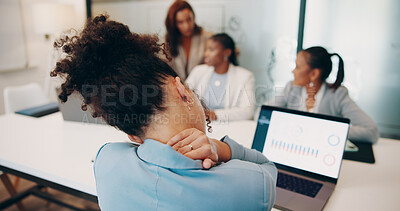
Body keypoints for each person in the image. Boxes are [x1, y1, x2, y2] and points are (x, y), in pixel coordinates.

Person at [51, 15, 277, 210]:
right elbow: (268, 167)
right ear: (182, 91)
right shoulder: (250, 184)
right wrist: (221, 148)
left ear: (132, 135)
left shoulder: (106, 161)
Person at [262, 46, 379, 144]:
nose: (293, 71)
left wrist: (325, 130)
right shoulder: (291, 88)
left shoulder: (338, 95)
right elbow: (262, 114)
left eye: (298, 67)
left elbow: (371, 132)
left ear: (314, 74)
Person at [186, 33, 255, 122]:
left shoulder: (245, 76)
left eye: (211, 50)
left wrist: (215, 114)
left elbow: (247, 111)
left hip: (230, 126)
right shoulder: (198, 71)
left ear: (226, 52)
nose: (206, 54)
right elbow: (183, 97)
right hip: (200, 123)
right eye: (206, 49)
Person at [164, 0, 212, 80]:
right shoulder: (168, 40)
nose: (186, 26)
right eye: (180, 22)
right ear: (174, 24)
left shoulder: (207, 37)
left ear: (193, 17)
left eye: (189, 19)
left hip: (201, 87)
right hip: (178, 88)